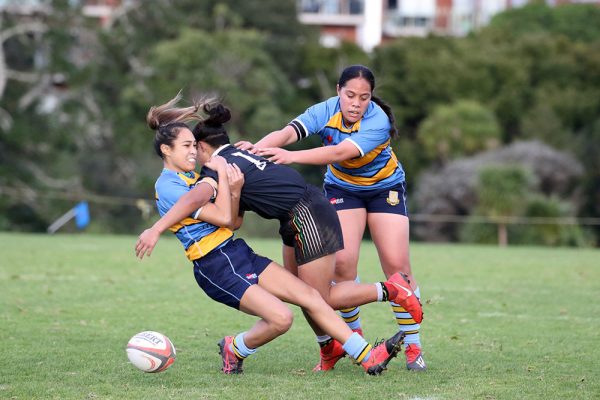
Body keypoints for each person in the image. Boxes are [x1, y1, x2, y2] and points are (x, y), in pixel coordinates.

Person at [136, 95, 422, 372]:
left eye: (192, 146)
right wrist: (156, 228)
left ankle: (367, 356)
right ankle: (234, 348)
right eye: (185, 146)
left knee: (312, 296)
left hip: (236, 250)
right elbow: (204, 208)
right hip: (216, 264)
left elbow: (230, 222)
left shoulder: (197, 175)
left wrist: (233, 189)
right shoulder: (172, 185)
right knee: (282, 318)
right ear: (166, 150)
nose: (191, 152)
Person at [238, 64, 427, 371]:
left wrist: (291, 157)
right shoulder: (325, 110)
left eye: (364, 97)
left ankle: (413, 345)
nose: (356, 103)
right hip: (343, 189)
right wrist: (258, 147)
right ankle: (355, 337)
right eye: (350, 95)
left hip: (384, 188)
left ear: (371, 98)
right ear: (338, 91)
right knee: (341, 265)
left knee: (396, 265)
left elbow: (340, 153)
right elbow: (289, 132)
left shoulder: (377, 120)